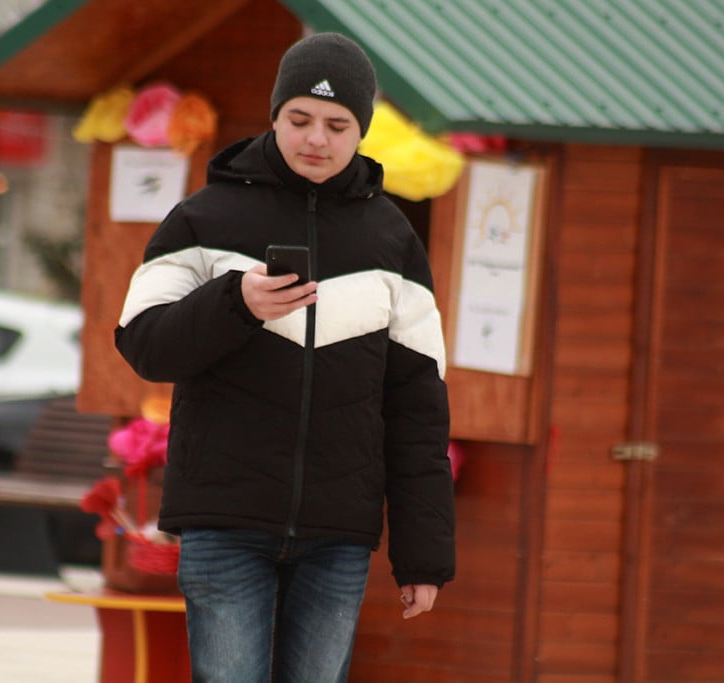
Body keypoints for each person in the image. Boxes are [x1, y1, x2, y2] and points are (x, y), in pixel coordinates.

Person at [115, 31, 455, 682]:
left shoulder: (393, 240)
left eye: (337, 124)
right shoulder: (201, 218)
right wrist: (235, 302)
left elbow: (418, 411)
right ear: (275, 116)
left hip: (338, 536)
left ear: (362, 131)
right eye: (300, 119)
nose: (316, 139)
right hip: (223, 522)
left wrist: (423, 557)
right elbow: (144, 343)